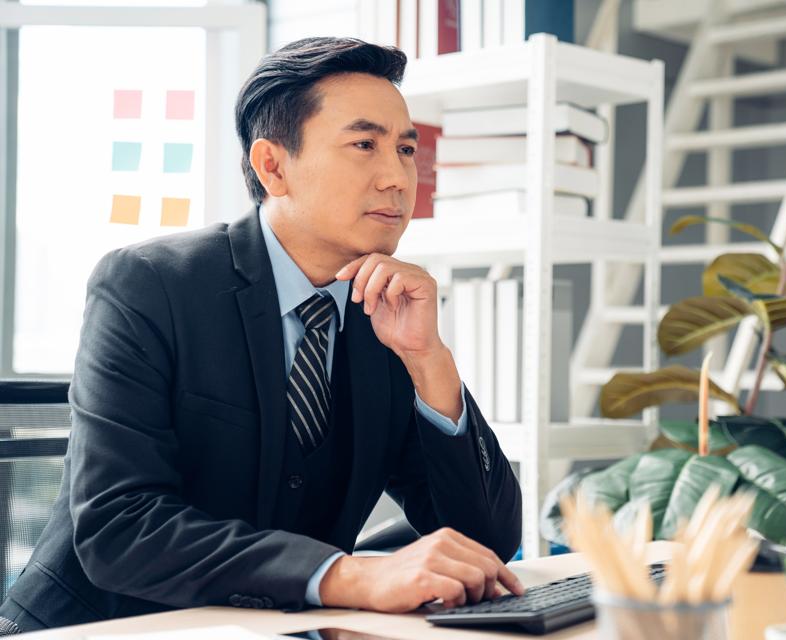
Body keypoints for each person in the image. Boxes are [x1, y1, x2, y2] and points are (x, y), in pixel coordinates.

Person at [0, 36, 523, 633]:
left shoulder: (383, 314)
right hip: (104, 629)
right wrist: (347, 575)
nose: (398, 178)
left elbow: (486, 540)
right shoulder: (151, 284)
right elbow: (120, 526)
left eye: (406, 148)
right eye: (364, 145)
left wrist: (430, 362)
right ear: (272, 165)